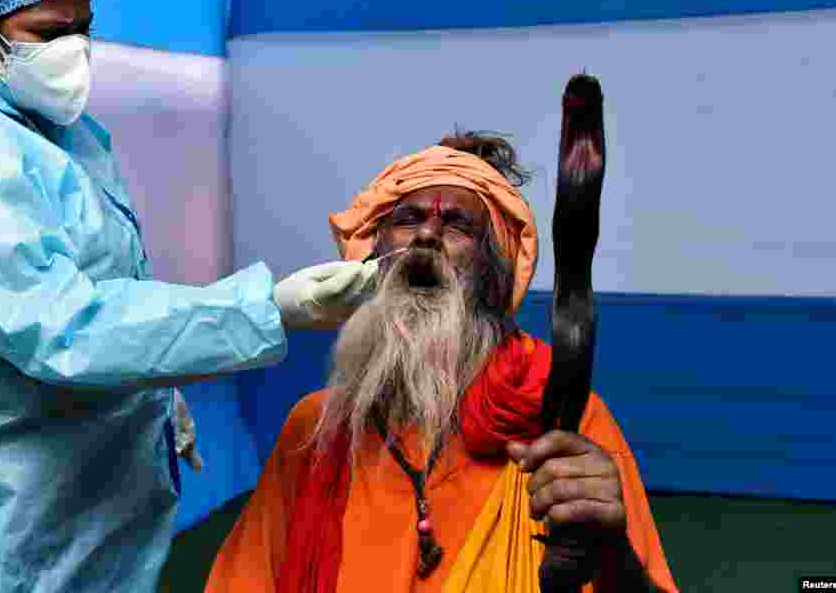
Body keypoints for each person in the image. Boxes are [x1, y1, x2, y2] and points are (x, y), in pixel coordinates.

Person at [0, 0, 377, 593]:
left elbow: (109, 289)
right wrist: (269, 308)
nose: (75, 49)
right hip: (8, 535)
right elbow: (64, 328)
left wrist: (153, 396)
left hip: (86, 514)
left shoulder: (53, 137)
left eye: (83, 27)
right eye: (49, 32)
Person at [204, 133, 679, 593]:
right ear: (373, 259)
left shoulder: (562, 418)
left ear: (494, 278)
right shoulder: (314, 429)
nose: (427, 235)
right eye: (408, 219)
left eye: (457, 226)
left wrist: (612, 553)